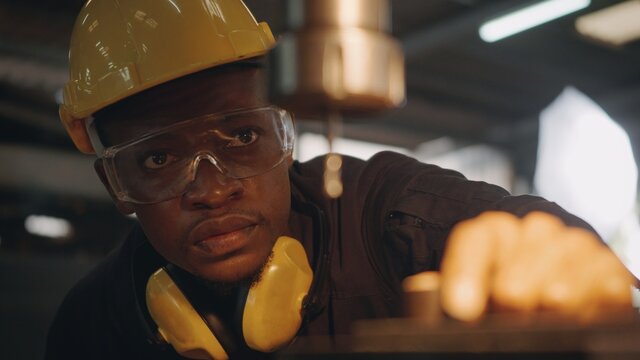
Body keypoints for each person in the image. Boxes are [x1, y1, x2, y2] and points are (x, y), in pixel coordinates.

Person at [46, 0, 636, 359]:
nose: (211, 189)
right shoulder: (92, 326)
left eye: (244, 137)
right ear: (112, 183)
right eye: (156, 160)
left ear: (287, 132)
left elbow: (550, 249)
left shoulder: (396, 220)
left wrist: (583, 277)